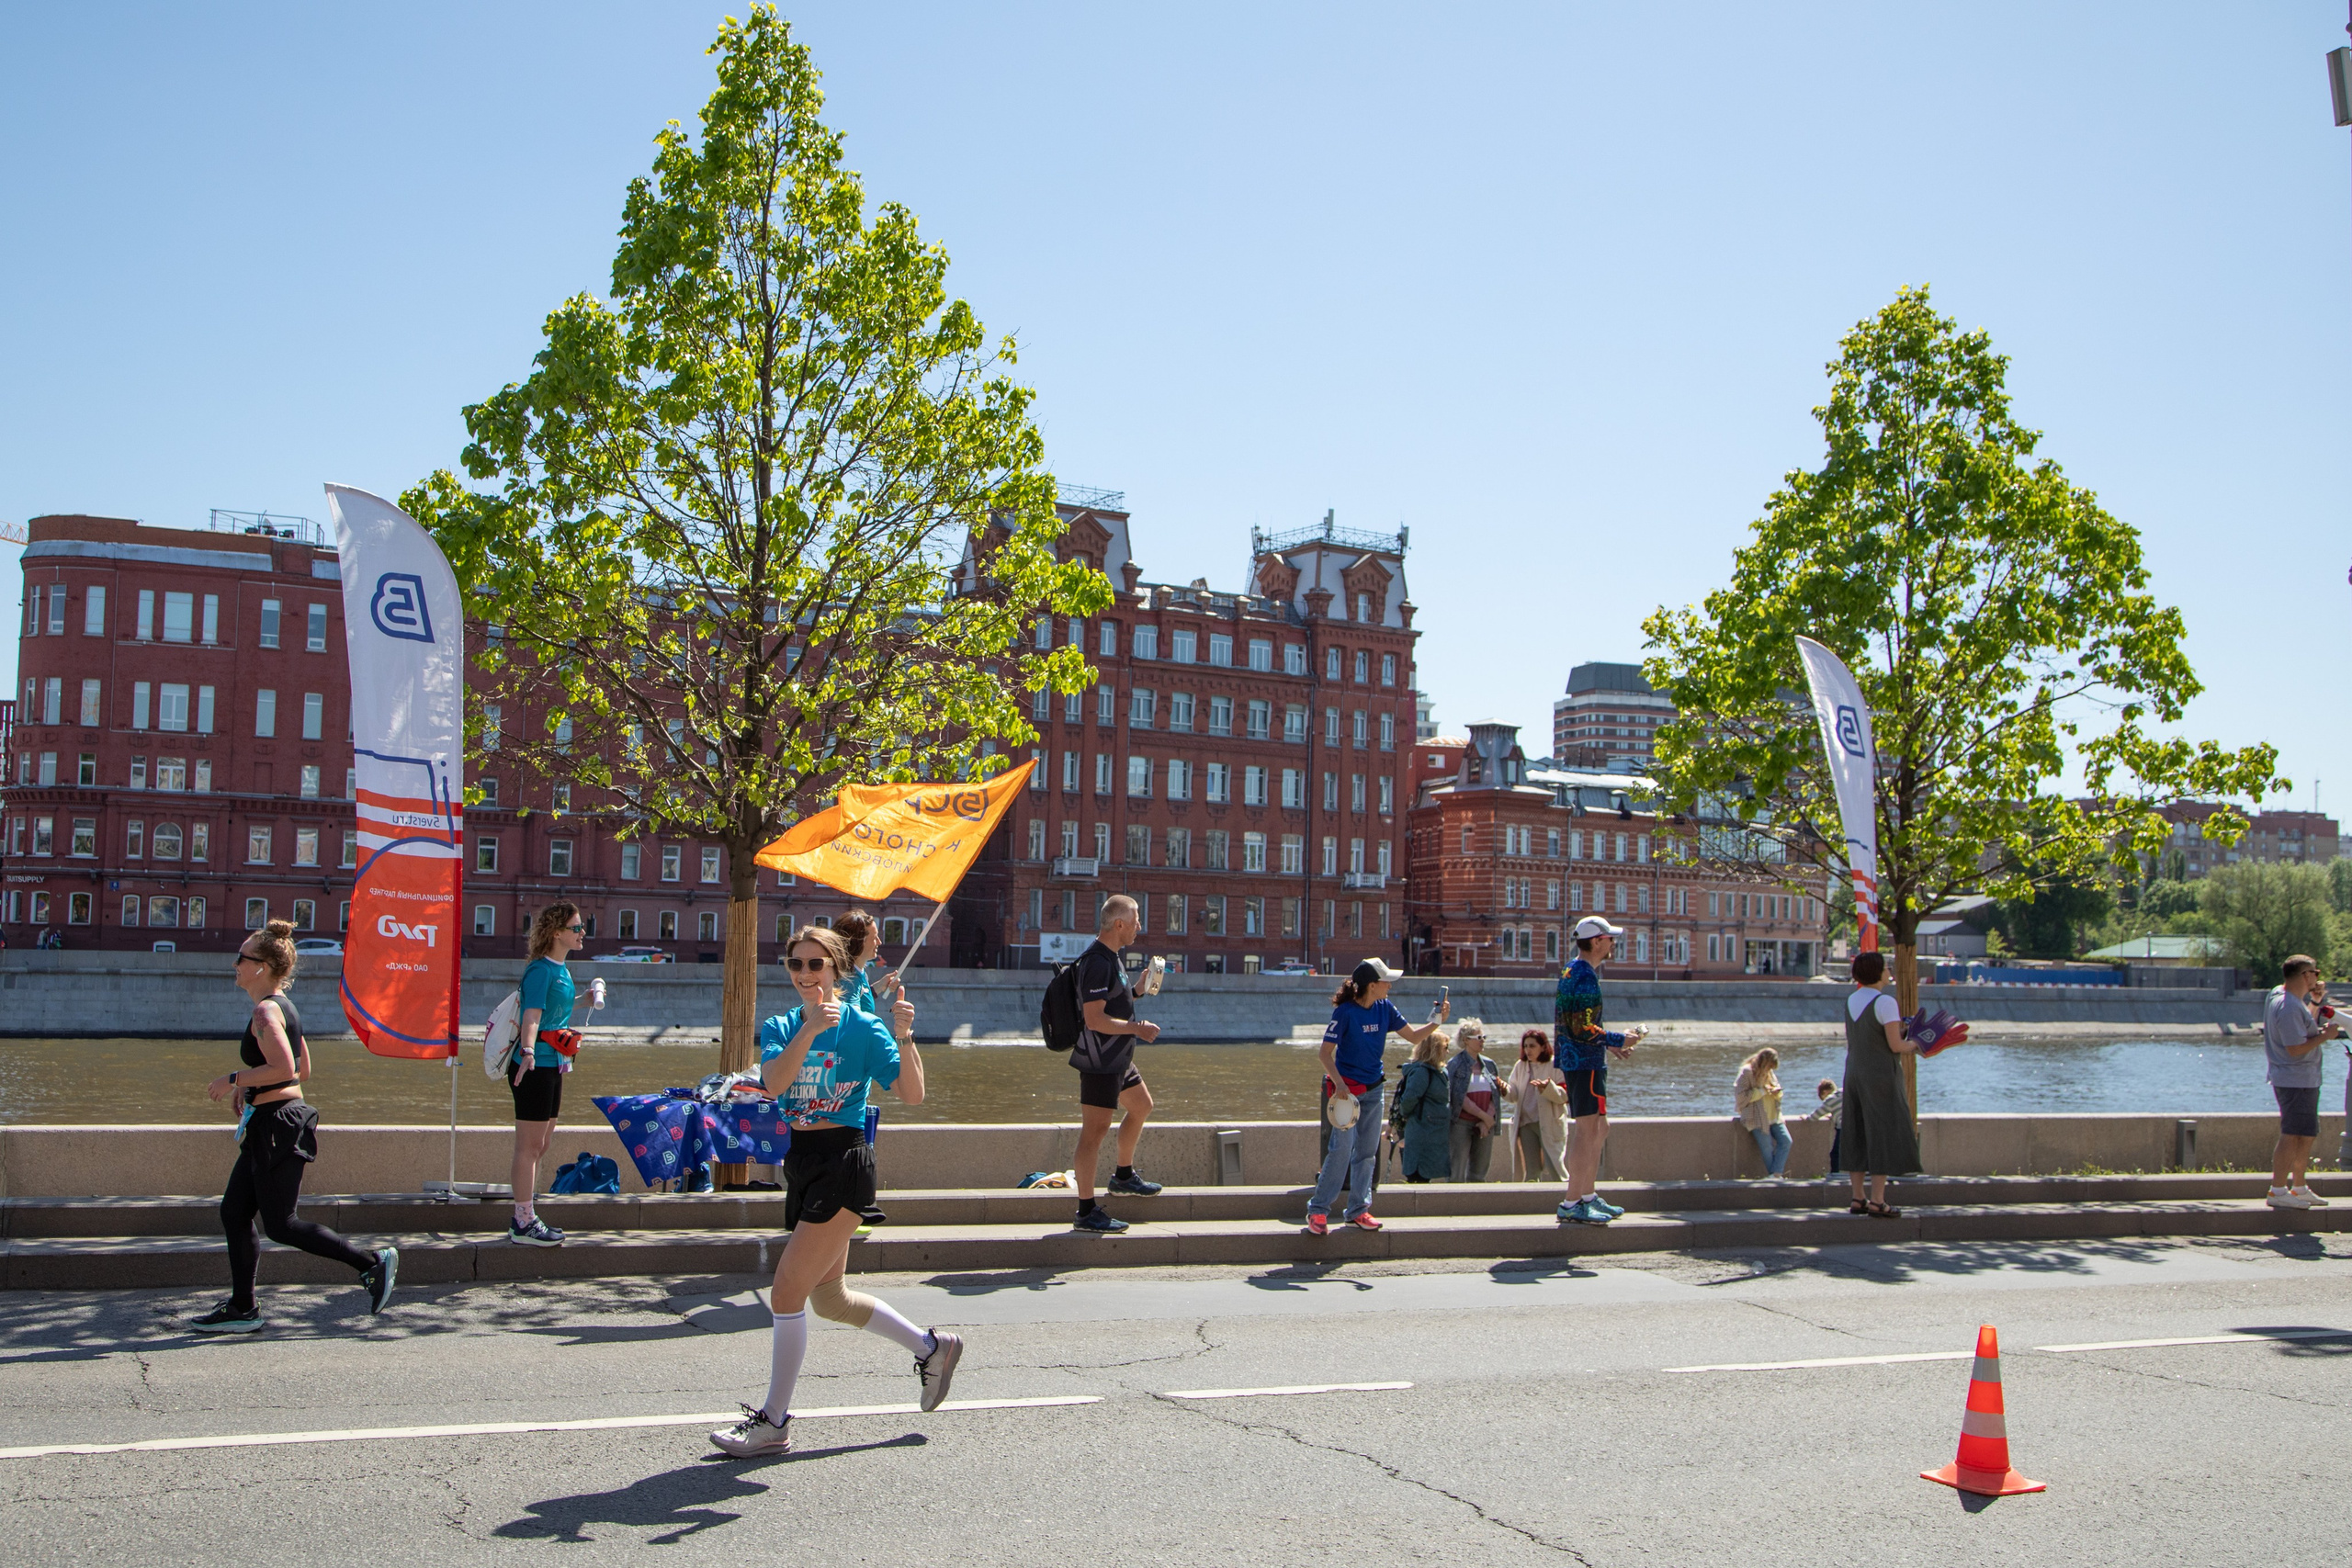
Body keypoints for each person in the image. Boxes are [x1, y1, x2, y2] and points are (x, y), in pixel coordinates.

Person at [709, 924, 956, 1458]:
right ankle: (933, 1348)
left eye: (815, 964)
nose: (804, 974)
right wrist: (808, 1030)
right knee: (831, 1300)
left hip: (844, 1164)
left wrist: (905, 1035)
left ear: (837, 970)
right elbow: (772, 1084)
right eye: (795, 964)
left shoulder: (865, 1027)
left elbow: (911, 1095)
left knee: (784, 1294)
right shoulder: (781, 1024)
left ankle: (774, 1421)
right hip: (801, 1163)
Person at [186, 920, 396, 1332]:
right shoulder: (283, 1006)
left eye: (242, 958)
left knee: (282, 1224)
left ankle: (372, 1263)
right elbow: (303, 1069)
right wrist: (251, 1090)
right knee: (234, 1212)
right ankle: (243, 1308)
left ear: (261, 967)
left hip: (279, 1125)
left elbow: (284, 1068)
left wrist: (234, 1079)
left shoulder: (266, 1010)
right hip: (271, 1119)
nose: (235, 964)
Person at [1307, 958, 1448, 1234]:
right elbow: (1325, 1054)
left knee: (1367, 1153)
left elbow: (1414, 1037)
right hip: (1348, 1094)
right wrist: (1339, 1085)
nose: (1390, 986)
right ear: (1372, 985)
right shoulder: (1345, 1013)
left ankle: (1358, 1210)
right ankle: (1318, 1211)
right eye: (1386, 981)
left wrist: (1437, 1020)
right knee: (1341, 1150)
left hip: (1374, 1089)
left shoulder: (1385, 1007)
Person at [1069, 895, 1163, 1233]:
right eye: (1136, 920)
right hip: (1100, 1061)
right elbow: (1094, 1019)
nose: (1140, 926)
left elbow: (1112, 1001)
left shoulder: (1112, 959)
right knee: (1093, 1134)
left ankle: (1123, 1176)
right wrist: (1138, 1028)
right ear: (1119, 924)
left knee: (1141, 1106)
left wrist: (1137, 990)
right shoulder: (1096, 961)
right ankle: (1086, 1210)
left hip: (1118, 1058)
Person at [1555, 916, 1647, 1224]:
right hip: (1584, 1063)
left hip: (1583, 1059)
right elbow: (1581, 1027)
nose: (1613, 943)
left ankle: (1588, 1196)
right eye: (1610, 938)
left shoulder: (1573, 969)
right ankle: (1572, 1203)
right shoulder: (1584, 976)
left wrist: (1609, 1045)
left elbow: (1574, 1024)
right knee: (1586, 1132)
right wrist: (1620, 1038)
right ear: (1597, 942)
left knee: (1600, 1128)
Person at [508, 902, 585, 1246]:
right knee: (528, 1145)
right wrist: (526, 1052)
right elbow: (532, 1017)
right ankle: (522, 1221)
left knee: (542, 1143)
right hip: (534, 1063)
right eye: (576, 927)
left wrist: (587, 998)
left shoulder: (562, 969)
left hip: (554, 1063)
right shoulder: (541, 970)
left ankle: (528, 1211)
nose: (582, 933)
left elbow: (559, 1009)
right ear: (557, 932)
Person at [1841, 950, 1921, 1217]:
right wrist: (1918, 1044)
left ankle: (1857, 1197)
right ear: (1877, 972)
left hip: (1853, 1072)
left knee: (1857, 1130)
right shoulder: (1885, 1002)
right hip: (1880, 1076)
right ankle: (1878, 1200)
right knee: (1882, 1132)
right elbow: (1895, 1045)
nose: (1890, 972)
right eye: (1886, 968)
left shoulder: (1851, 999)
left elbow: (1868, 1036)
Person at [2263, 954, 2339, 1209]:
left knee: (2305, 1133)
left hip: (2303, 1078)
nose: (2317, 977)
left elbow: (2301, 1023)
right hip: (2294, 1079)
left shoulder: (2282, 996)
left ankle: (2298, 1187)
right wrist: (2326, 1036)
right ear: (2305, 975)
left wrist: (2315, 1001)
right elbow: (2295, 1048)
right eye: (2314, 973)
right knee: (2292, 1133)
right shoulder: (2288, 1006)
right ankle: (2277, 1190)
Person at [1388, 1030, 1453, 1182]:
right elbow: (1409, 1100)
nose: (1448, 1052)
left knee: (1427, 1174)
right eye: (1445, 1047)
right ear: (1434, 1049)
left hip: (1433, 1131)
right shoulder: (1422, 1073)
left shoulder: (1439, 1072)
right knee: (1418, 1175)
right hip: (1421, 1131)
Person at [1445, 1020, 1504, 1181]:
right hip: (1461, 1123)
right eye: (1478, 1037)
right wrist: (1484, 1116)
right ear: (1465, 1040)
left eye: (1483, 1036)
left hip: (1486, 1124)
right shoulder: (1454, 1064)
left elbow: (1495, 1094)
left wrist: (1487, 1120)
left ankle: (1476, 1204)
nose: (1482, 1040)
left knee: (1479, 1172)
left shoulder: (1490, 1064)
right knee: (1456, 1171)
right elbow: (1456, 1096)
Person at [1508, 1029, 1566, 1183]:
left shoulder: (1555, 1064)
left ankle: (1565, 1200)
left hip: (1549, 1123)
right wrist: (1503, 1089)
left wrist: (1548, 1088)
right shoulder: (1520, 1066)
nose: (1528, 1050)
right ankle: (1531, 1202)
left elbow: (1565, 1095)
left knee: (1555, 1165)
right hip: (1526, 1124)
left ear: (1543, 1046)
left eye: (1532, 1046)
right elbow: (1513, 1094)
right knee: (1531, 1170)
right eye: (1525, 1046)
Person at [1736, 1047, 1792, 1177]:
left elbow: (1777, 1092)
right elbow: (1740, 1097)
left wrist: (1777, 1092)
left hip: (1774, 1115)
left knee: (1786, 1141)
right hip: (1756, 1117)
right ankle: (1776, 1176)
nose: (1770, 1070)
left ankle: (1775, 1175)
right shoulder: (1747, 1072)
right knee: (1767, 1148)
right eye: (1769, 1066)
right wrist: (1761, 1092)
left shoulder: (1770, 1073)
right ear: (1764, 1063)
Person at [1807, 1077, 1844, 1177]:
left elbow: (1815, 1116)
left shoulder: (1830, 1100)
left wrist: (1806, 1118)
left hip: (1844, 1128)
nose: (1824, 1100)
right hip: (1858, 1125)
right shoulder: (1844, 1092)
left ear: (1826, 1092)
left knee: (1835, 1153)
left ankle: (1835, 1175)